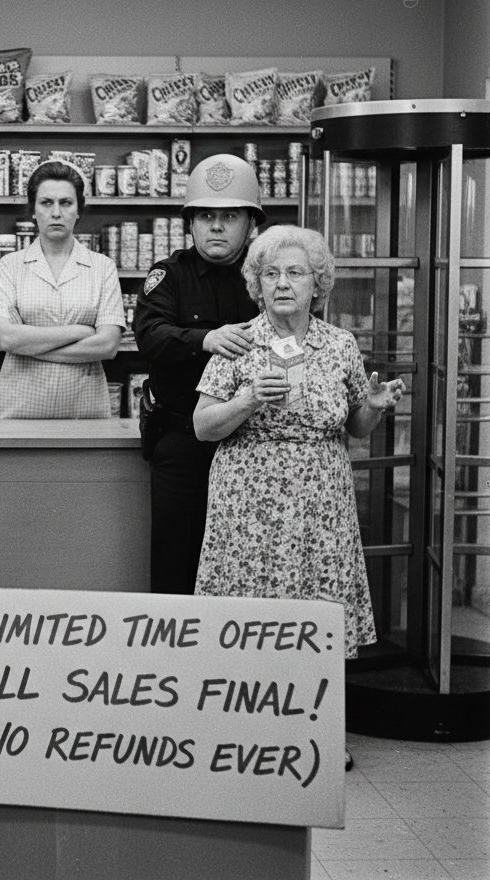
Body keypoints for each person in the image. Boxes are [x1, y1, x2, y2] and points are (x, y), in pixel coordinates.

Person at [192, 225, 405, 767]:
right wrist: (243, 402)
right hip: (249, 503)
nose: (282, 283)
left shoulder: (339, 344)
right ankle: (243, 734)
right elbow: (202, 426)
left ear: (317, 284)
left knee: (317, 616)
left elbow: (354, 425)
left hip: (321, 501)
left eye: (295, 273)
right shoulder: (239, 340)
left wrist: (375, 405)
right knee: (250, 614)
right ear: (256, 285)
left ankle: (316, 735)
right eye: (270, 274)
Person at [133, 153, 264, 594]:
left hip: (251, 441)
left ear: (251, 224)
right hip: (181, 440)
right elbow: (149, 335)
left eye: (230, 216)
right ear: (190, 223)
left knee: (248, 560)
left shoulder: (267, 278)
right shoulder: (167, 275)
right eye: (205, 215)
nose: (216, 226)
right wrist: (205, 340)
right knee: (175, 560)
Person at [0, 159, 125, 418]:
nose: (56, 212)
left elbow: (107, 345)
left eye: (65, 203)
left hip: (84, 412)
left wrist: (29, 344)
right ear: (33, 210)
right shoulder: (10, 265)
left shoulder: (102, 267)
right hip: (19, 411)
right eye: (46, 203)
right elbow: (6, 338)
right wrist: (81, 331)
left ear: (78, 210)